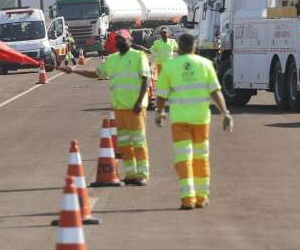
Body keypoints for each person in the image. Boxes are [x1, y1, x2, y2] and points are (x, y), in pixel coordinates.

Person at [59, 29, 151, 186]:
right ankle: (130, 174)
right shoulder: (112, 59)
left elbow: (146, 79)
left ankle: (142, 174)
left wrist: (139, 102)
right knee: (124, 144)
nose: (119, 42)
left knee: (138, 142)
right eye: (117, 40)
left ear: (130, 40)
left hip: (135, 108)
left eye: (122, 39)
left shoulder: (138, 56)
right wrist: (73, 70)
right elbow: (96, 73)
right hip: (119, 108)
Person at [155, 33, 233, 210]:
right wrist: (225, 113)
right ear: (195, 47)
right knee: (201, 159)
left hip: (180, 121)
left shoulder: (169, 66)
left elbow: (161, 95)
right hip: (201, 120)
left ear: (178, 48)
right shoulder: (205, 64)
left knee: (183, 159)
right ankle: (201, 197)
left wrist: (159, 113)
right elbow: (215, 91)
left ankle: (187, 199)